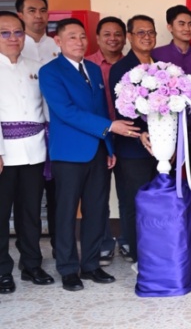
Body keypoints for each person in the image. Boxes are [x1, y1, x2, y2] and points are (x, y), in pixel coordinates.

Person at [39, 18, 139, 291]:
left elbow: (101, 110)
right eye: (72, 37)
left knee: (97, 210)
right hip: (69, 154)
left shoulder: (93, 69)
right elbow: (65, 111)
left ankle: (91, 265)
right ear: (58, 41)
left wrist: (108, 147)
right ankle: (68, 269)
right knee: (66, 213)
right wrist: (110, 127)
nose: (79, 42)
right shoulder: (50, 72)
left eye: (82, 36)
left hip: (97, 150)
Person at [0, 11, 54, 294]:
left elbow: (45, 111)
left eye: (18, 32)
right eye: (5, 33)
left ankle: (32, 264)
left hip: (35, 151)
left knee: (31, 212)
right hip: (4, 154)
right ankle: (2, 270)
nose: (13, 38)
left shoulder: (37, 68)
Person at [153, 5, 191, 256]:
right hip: (167, 131)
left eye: (190, 24)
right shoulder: (157, 55)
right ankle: (169, 235)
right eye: (181, 24)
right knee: (167, 182)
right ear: (169, 27)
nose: (187, 28)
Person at [108, 15, 158, 266]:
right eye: (140, 32)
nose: (147, 37)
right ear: (129, 37)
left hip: (159, 149)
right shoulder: (122, 68)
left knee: (156, 202)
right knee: (134, 202)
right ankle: (139, 255)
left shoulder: (161, 66)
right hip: (132, 147)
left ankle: (156, 251)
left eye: (151, 32)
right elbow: (124, 110)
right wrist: (142, 135)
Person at [15, 0, 60, 257]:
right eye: (32, 10)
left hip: (57, 132)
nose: (39, 16)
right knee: (28, 200)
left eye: (43, 10)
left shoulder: (57, 45)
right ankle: (28, 254)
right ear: (20, 15)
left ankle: (59, 248)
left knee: (58, 195)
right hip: (26, 136)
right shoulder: (14, 48)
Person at [85, 17, 127, 266]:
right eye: (107, 34)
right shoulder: (86, 65)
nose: (113, 39)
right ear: (98, 38)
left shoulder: (132, 65)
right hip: (97, 136)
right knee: (97, 194)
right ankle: (102, 243)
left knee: (128, 191)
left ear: (125, 38)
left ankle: (128, 239)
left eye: (118, 34)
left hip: (127, 135)